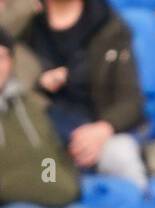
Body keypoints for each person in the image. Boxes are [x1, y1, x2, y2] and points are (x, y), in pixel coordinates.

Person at [0, 27, 145, 208]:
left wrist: (68, 180)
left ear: (10, 61)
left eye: (1, 57)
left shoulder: (29, 104)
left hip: (66, 205)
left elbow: (59, 144)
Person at [18, 0, 148, 188]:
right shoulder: (25, 25)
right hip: (39, 130)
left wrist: (103, 129)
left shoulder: (110, 28)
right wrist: (38, 82)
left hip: (93, 129)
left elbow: (131, 101)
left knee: (121, 155)